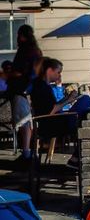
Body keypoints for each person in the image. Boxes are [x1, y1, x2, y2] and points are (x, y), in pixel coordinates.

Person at [8, 25, 42, 162]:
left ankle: (27, 151)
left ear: (22, 35)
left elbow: (20, 71)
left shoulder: (25, 52)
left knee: (24, 121)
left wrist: (10, 75)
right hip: (32, 89)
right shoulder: (36, 51)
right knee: (28, 121)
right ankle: (30, 150)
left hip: (21, 89)